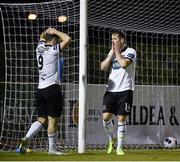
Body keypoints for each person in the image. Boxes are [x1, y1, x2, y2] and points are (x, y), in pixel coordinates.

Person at [16, 28, 71, 155]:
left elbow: (42, 38)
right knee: (53, 120)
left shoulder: (39, 49)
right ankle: (52, 149)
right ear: (55, 40)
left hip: (40, 89)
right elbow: (68, 39)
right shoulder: (53, 50)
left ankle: (26, 138)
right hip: (52, 89)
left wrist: (45, 34)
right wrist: (56, 31)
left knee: (41, 118)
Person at [100, 31, 136, 155]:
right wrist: (111, 54)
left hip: (125, 90)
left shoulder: (131, 51)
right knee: (105, 118)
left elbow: (123, 63)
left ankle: (120, 148)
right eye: (112, 39)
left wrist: (116, 52)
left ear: (122, 40)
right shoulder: (112, 52)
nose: (113, 41)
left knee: (121, 119)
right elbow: (103, 67)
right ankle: (111, 139)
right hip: (110, 90)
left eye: (115, 39)